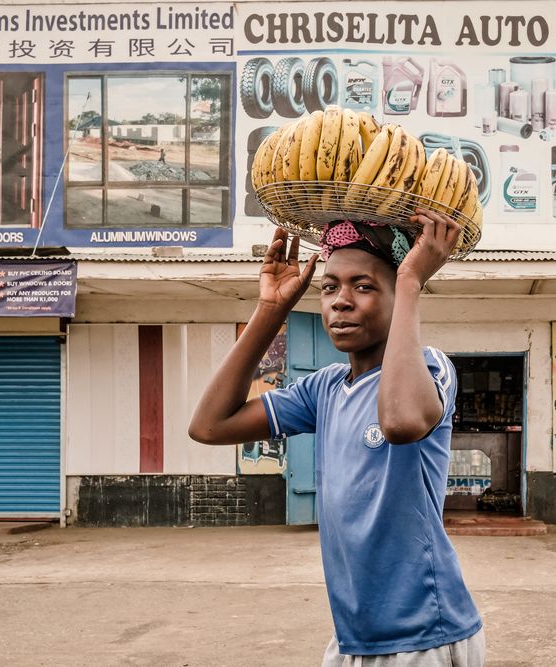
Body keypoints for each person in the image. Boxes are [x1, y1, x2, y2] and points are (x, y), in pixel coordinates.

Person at [189, 210, 484, 666]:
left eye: (364, 286)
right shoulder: (323, 389)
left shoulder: (429, 369)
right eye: (329, 287)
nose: (340, 302)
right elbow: (209, 426)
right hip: (355, 635)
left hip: (423, 634)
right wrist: (270, 310)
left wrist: (411, 282)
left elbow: (401, 423)